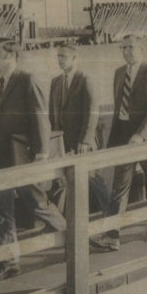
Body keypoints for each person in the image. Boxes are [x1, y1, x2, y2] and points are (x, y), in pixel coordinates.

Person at [0, 37, 65, 282]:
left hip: (22, 157)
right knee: (0, 211)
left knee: (37, 203)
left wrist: (41, 155)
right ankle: (8, 263)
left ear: (12, 56)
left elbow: (41, 117)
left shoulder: (27, 80)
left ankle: (75, 239)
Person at [90, 34, 147, 251]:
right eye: (124, 48)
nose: (127, 52)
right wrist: (113, 143)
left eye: (131, 48)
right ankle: (112, 236)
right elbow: (119, 110)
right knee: (120, 185)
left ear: (142, 50)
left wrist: (141, 135)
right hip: (124, 137)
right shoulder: (119, 73)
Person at [47, 40, 98, 212]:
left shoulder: (85, 80)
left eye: (64, 56)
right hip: (62, 143)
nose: (59, 59)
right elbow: (51, 115)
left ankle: (109, 215)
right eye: (58, 56)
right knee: (65, 182)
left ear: (75, 58)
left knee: (91, 181)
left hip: (80, 142)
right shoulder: (56, 82)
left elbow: (92, 112)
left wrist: (85, 141)